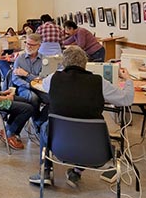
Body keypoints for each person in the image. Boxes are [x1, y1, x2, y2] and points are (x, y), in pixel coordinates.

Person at [29, 46, 134, 187]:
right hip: (95, 149)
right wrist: (128, 80)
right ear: (85, 63)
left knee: (45, 126)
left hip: (58, 144)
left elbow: (44, 87)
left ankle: (46, 171)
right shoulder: (99, 82)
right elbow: (126, 99)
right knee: (89, 130)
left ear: (63, 63)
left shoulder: (53, 79)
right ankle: (77, 171)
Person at [12, 33, 46, 126]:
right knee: (33, 98)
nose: (28, 46)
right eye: (27, 43)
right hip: (24, 87)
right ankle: (36, 121)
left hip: (40, 88)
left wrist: (26, 74)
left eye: (32, 45)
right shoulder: (20, 59)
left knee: (53, 99)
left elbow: (42, 79)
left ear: (39, 46)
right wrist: (29, 84)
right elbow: (15, 79)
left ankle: (40, 120)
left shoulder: (44, 59)